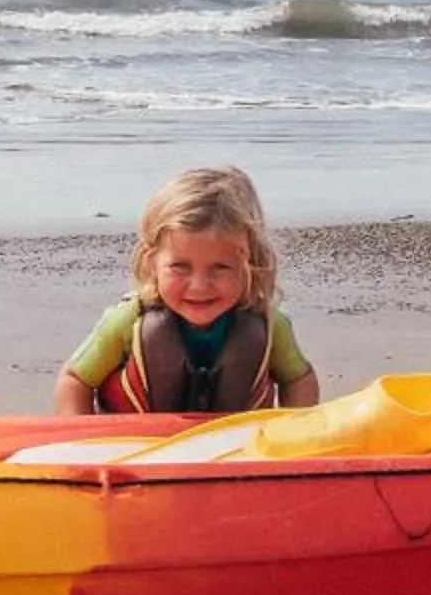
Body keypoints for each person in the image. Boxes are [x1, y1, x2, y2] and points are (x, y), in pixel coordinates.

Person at [53, 166, 319, 415]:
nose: (199, 286)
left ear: (250, 262)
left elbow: (298, 380)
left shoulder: (271, 324)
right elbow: (75, 380)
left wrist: (293, 437)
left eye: (220, 268)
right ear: (152, 262)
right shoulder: (127, 321)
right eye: (180, 267)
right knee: (153, 332)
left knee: (252, 335)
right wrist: (83, 449)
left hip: (235, 452)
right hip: (139, 451)